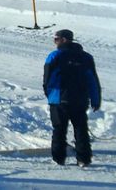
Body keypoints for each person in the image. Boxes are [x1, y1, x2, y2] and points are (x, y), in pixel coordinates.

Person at [43, 29, 101, 167]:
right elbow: (93, 80)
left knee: (59, 130)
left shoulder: (54, 56)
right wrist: (95, 99)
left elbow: (47, 80)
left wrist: (50, 96)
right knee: (81, 129)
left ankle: (59, 159)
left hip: (58, 100)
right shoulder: (87, 57)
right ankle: (84, 159)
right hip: (80, 100)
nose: (55, 42)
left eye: (56, 39)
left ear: (64, 40)